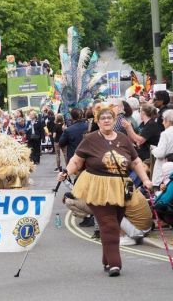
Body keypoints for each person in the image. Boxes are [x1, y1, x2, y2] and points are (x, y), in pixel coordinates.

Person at [58, 104, 152, 277]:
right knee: (108, 224)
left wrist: (145, 180)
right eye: (103, 118)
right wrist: (66, 172)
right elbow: (77, 161)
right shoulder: (90, 139)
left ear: (114, 120)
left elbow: (136, 161)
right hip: (97, 186)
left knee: (114, 223)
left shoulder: (123, 139)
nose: (106, 120)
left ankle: (106, 259)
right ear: (97, 121)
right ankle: (115, 264)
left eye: (109, 118)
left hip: (120, 187)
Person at [151, 110, 173, 188]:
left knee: (161, 197)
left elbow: (160, 153)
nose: (162, 122)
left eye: (164, 120)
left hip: (163, 172)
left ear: (169, 121)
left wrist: (153, 150)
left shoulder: (165, 133)